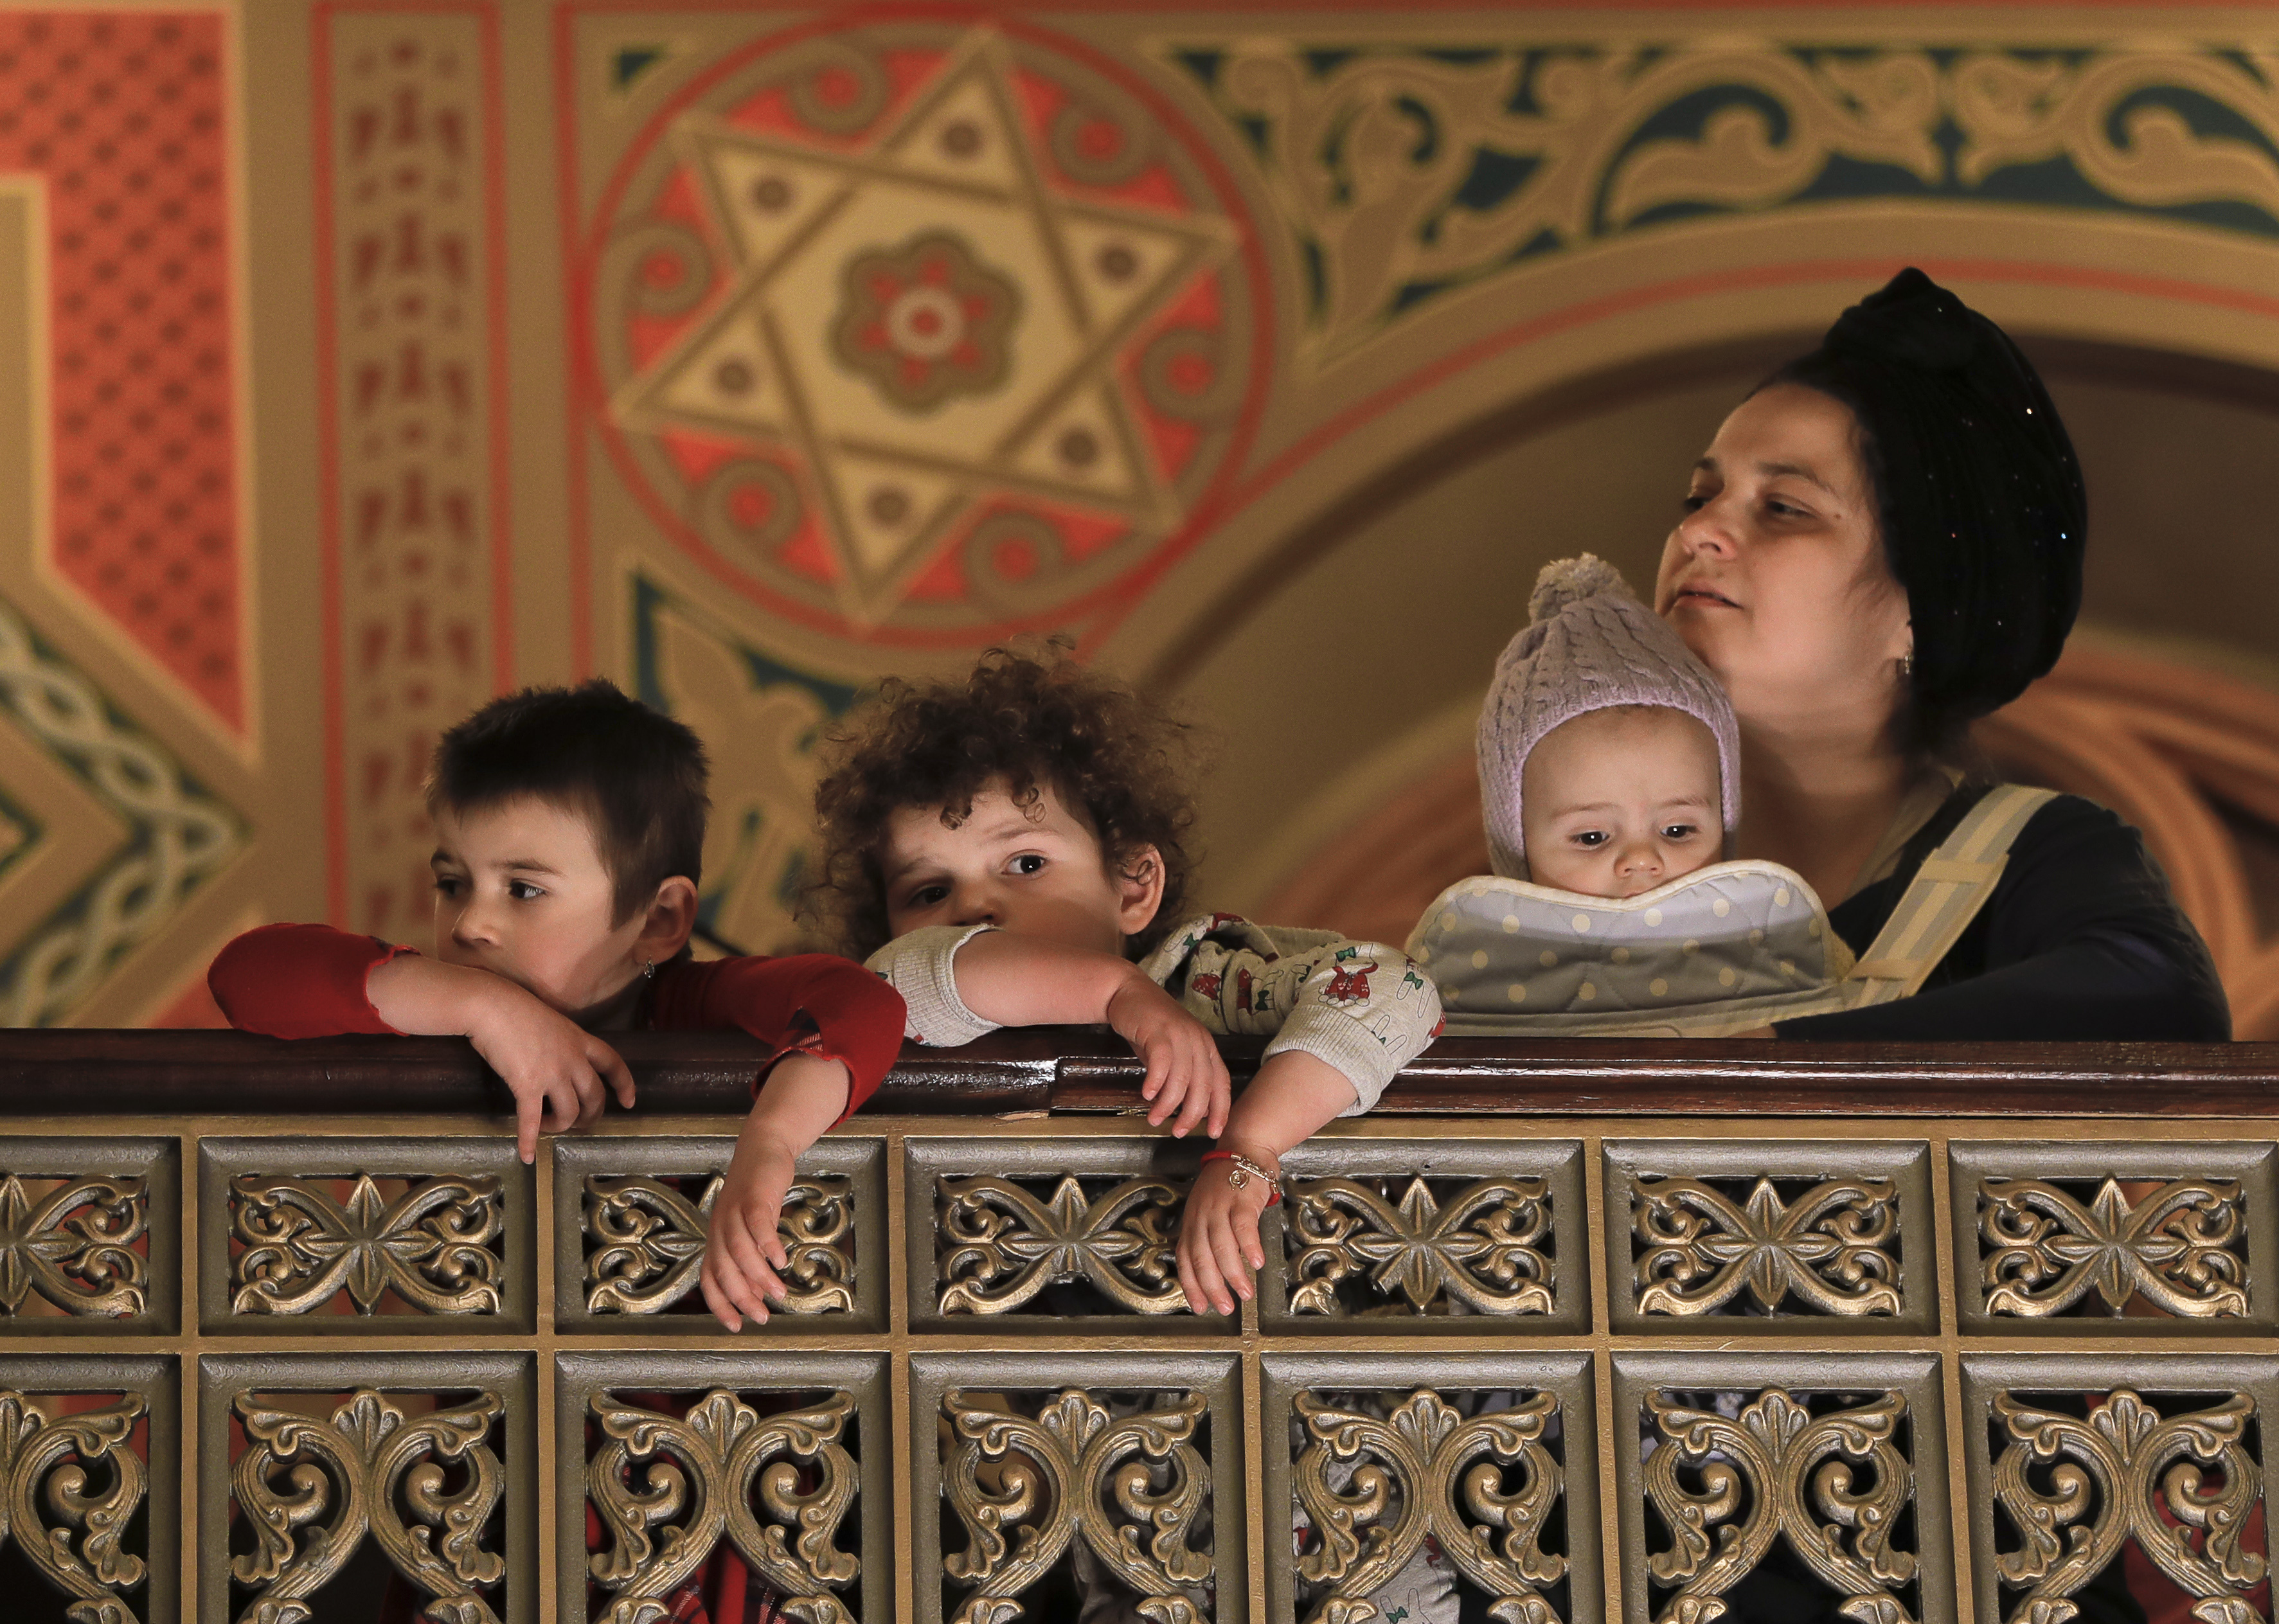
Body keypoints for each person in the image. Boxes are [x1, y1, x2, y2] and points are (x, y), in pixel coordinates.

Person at [206, 681, 907, 1338]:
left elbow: (863, 1002)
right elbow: (245, 973)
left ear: (659, 919)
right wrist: (484, 1006)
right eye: (453, 883)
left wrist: (772, 1140)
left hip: (727, 1392)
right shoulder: (439, 1010)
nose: (469, 923)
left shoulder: (690, 1003)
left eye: (523, 889)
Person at [1650, 265, 2226, 1046]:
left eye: (1783, 508)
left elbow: (2163, 995)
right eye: (1699, 497)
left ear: (1922, 609)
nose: (1697, 530)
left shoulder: (2028, 856)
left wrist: (1770, 1060)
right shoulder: (1582, 845)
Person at [809, 645, 1442, 1321]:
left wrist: (1251, 1147)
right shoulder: (895, 1030)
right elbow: (904, 974)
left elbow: (1396, 987)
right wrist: (1113, 989)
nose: (974, 908)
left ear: (1133, 887)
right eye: (930, 891)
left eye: (1026, 863)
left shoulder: (1202, 985)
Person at [1417, 553, 1859, 1033]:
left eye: (1678, 829)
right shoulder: (1473, 975)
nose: (1642, 859)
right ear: (1518, 849)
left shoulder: (1776, 942)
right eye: (1592, 837)